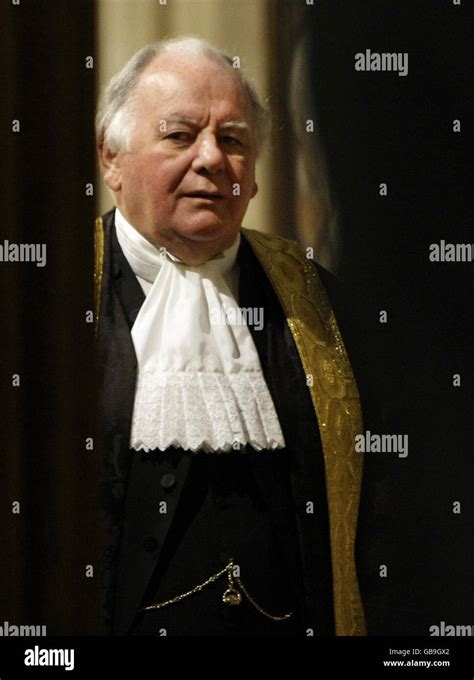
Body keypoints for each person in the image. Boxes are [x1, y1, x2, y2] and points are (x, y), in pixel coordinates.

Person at [94, 36, 366, 637]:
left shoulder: (320, 305)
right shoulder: (51, 303)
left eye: (234, 140)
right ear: (111, 158)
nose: (213, 159)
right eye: (180, 135)